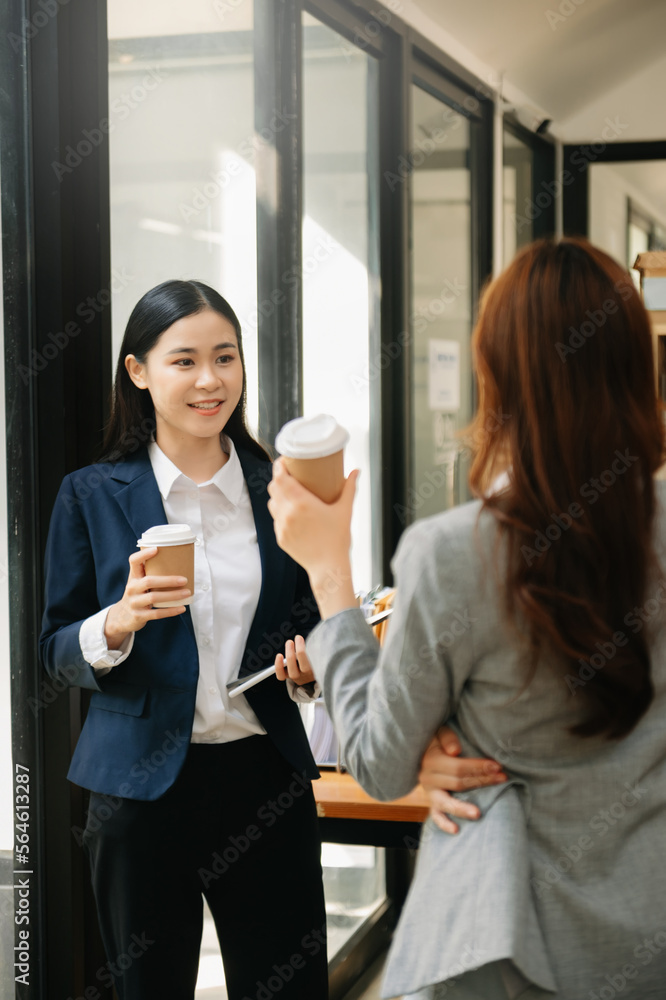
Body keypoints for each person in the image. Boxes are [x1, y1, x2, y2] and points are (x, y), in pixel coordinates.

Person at [267, 237, 666, 1000]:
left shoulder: (454, 553)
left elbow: (378, 765)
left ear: (498, 378)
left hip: (503, 944)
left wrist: (328, 571)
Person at [39, 280, 329, 1000]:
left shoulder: (280, 491)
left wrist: (310, 663)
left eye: (225, 358)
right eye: (185, 360)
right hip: (138, 795)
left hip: (265, 779)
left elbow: (317, 618)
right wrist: (121, 618)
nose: (210, 380)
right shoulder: (91, 494)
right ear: (138, 371)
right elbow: (53, 650)